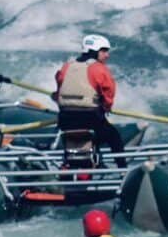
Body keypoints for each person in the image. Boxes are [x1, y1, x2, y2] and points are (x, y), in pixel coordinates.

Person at [53, 33, 126, 166]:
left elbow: (58, 92)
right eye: (104, 51)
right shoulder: (99, 69)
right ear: (94, 51)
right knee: (114, 137)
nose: (107, 55)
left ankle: (72, 164)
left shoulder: (66, 67)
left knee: (73, 138)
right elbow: (108, 94)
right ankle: (122, 169)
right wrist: (106, 107)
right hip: (91, 121)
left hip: (66, 121)